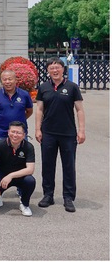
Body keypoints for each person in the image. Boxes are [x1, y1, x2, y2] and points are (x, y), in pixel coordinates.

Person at [35, 57, 85, 213]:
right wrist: (37, 129)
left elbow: (79, 110)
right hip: (48, 133)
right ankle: (48, 195)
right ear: (48, 71)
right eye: (51, 68)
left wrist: (81, 130)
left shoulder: (72, 87)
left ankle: (68, 198)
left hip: (68, 134)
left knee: (69, 166)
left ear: (63, 69)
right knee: (47, 165)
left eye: (57, 67)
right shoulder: (43, 87)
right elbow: (39, 110)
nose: (55, 70)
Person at [0, 121, 36, 216]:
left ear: (24, 135)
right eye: (13, 132)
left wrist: (11, 175)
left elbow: (30, 169)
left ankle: (24, 204)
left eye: (18, 133)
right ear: (8, 132)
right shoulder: (0, 145)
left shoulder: (28, 147)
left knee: (30, 181)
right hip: (2, 176)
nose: (15, 135)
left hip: (20, 177)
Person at [0, 69, 34, 145]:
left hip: (20, 133)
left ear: (15, 80)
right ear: (1, 81)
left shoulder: (24, 95)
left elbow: (29, 111)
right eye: (4, 79)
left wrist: (19, 119)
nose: (7, 82)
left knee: (21, 152)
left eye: (10, 79)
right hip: (2, 134)